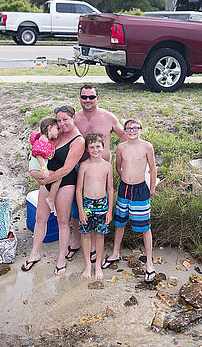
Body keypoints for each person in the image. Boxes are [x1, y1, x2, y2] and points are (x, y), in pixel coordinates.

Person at [64, 84, 127, 262]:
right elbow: (60, 135)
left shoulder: (108, 117)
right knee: (78, 208)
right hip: (79, 169)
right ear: (80, 98)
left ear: (97, 98)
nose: (88, 100)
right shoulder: (74, 118)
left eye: (91, 97)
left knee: (99, 207)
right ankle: (77, 242)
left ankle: (93, 245)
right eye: (84, 97)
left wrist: (131, 161)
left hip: (103, 171)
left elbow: (125, 139)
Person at [21, 106, 85, 276]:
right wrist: (41, 179)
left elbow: (66, 169)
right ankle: (34, 254)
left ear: (73, 119)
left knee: (63, 222)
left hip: (65, 182)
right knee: (40, 219)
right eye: (59, 120)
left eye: (65, 119)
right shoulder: (56, 133)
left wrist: (43, 180)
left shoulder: (78, 140)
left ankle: (61, 259)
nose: (62, 123)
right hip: (47, 180)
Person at [102, 119, 158, 282]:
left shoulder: (147, 146)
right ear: (124, 131)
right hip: (124, 189)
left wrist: (151, 188)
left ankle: (149, 262)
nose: (132, 131)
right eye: (128, 128)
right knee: (119, 222)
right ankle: (115, 253)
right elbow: (118, 167)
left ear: (141, 130)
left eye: (135, 128)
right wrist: (126, 178)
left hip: (141, 190)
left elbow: (153, 168)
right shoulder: (121, 147)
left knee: (145, 226)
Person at [75, 133, 114, 279]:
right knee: (86, 234)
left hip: (102, 204)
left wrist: (109, 211)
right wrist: (81, 210)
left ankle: (97, 264)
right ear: (87, 149)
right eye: (91, 147)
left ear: (103, 147)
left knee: (99, 235)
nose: (95, 149)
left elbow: (110, 189)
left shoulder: (108, 166)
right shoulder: (84, 166)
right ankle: (87, 265)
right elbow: (79, 189)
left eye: (98, 146)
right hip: (87, 204)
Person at [28, 117, 61, 214]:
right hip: (37, 169)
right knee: (58, 177)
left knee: (49, 179)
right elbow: (38, 154)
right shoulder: (43, 139)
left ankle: (50, 198)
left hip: (35, 170)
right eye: (57, 129)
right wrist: (44, 168)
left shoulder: (45, 139)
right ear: (49, 128)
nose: (58, 132)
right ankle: (51, 199)